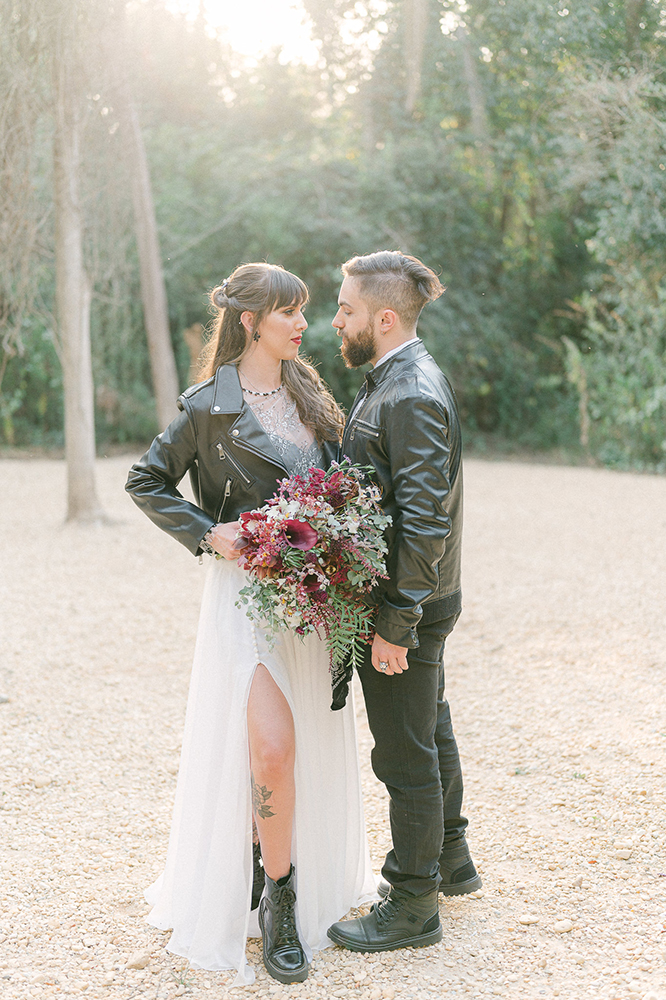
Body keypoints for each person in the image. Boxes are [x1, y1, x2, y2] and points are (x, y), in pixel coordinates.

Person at [125, 263, 375, 986]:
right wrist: (210, 532)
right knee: (271, 748)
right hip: (244, 601)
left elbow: (342, 485)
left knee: (303, 747)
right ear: (249, 321)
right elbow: (145, 479)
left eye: (302, 310)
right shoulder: (209, 406)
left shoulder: (311, 393)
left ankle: (274, 868)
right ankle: (280, 904)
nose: (303, 323)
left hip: (312, 602)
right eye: (288, 312)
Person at [326, 251, 481, 953]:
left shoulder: (409, 392)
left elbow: (423, 521)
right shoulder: (394, 378)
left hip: (405, 602)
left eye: (346, 309)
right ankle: (452, 858)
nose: (336, 321)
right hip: (422, 596)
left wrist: (396, 622)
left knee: (404, 754)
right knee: (430, 725)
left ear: (384, 318)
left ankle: (414, 904)